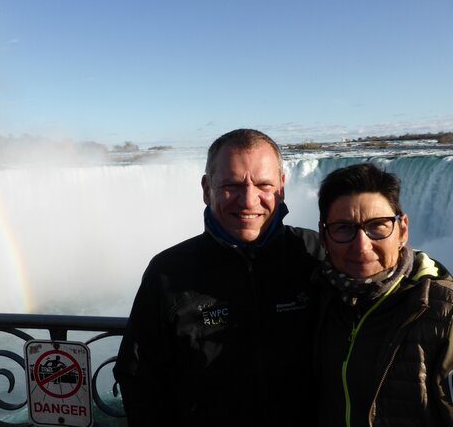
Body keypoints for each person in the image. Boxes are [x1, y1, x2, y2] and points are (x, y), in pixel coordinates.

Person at [113, 129, 324, 426]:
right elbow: (138, 377)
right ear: (206, 189)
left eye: (264, 185)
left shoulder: (317, 254)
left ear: (281, 187)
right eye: (232, 185)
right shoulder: (168, 272)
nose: (248, 200)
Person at [313, 162, 453, 426]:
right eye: (343, 228)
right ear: (323, 236)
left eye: (377, 226)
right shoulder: (314, 296)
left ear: (403, 230)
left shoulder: (444, 314)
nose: (362, 246)